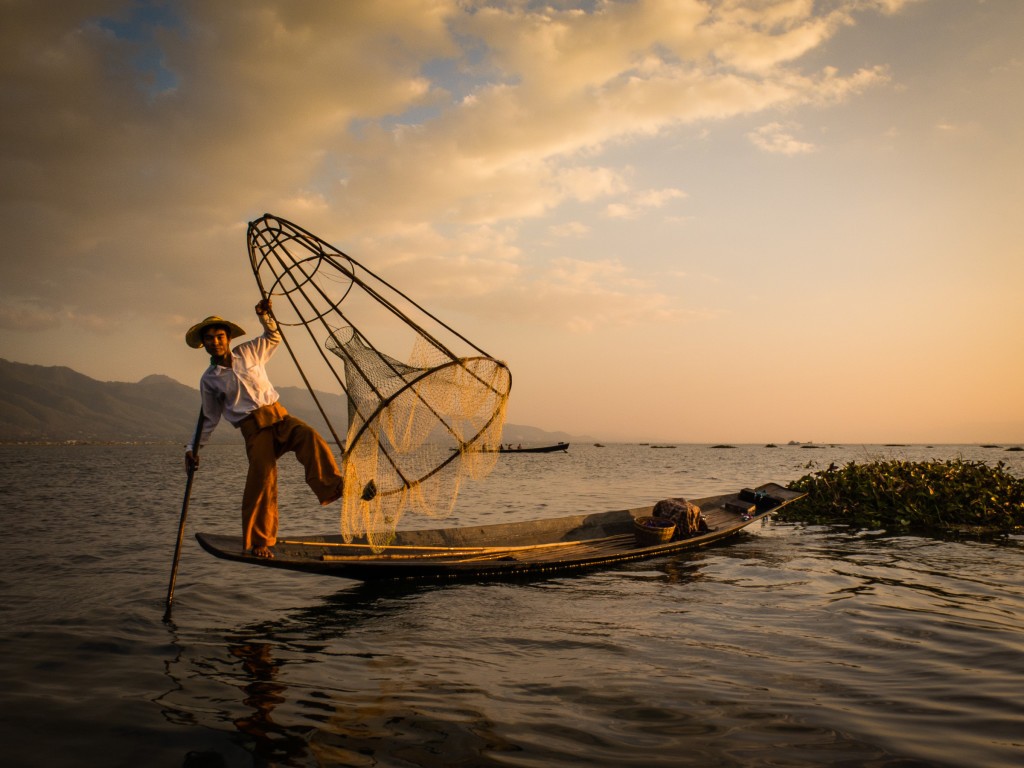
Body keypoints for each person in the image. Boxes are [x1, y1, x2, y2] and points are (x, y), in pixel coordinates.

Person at [184, 298, 343, 558]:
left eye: (220, 336)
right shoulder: (209, 380)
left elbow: (273, 336)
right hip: (254, 429)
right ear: (205, 344)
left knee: (309, 437)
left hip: (279, 417)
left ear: (228, 338)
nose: (216, 341)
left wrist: (265, 316)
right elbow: (209, 418)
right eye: (210, 338)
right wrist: (193, 448)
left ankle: (334, 487)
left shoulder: (248, 352)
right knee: (262, 481)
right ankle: (260, 541)